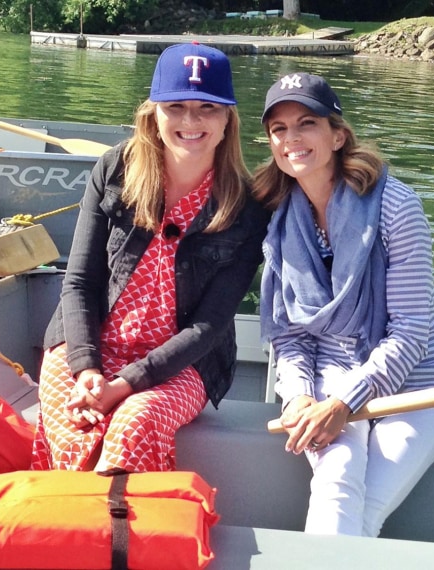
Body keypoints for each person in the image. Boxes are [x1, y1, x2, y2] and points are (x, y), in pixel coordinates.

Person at [31, 43, 269, 474]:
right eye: (175, 106)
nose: (191, 121)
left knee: (134, 422)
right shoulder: (114, 170)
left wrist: (126, 384)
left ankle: (121, 536)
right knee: (77, 426)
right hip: (86, 345)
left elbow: (209, 326)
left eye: (207, 108)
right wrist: (87, 370)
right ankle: (71, 531)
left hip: (182, 364)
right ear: (153, 113)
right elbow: (79, 282)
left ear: (227, 119)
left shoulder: (247, 207)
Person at [253, 72, 434, 537]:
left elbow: (410, 331)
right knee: (337, 480)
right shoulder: (281, 220)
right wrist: (302, 393)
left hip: (416, 391)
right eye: (279, 129)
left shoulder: (396, 206)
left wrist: (346, 402)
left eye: (306, 123)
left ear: (338, 134)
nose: (292, 139)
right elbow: (291, 334)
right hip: (328, 377)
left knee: (365, 510)